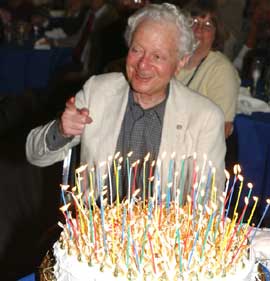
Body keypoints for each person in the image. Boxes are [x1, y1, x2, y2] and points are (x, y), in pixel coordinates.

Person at [26, 3, 226, 203]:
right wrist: (61, 131)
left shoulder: (204, 117)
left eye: (157, 56)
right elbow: (34, 155)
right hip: (95, 227)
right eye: (137, 50)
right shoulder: (98, 92)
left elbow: (210, 200)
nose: (142, 64)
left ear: (181, 61)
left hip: (162, 232)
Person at [175, 0, 240, 139]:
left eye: (208, 25)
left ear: (216, 33)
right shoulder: (170, 58)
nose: (199, 30)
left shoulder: (221, 70)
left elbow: (223, 129)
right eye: (193, 22)